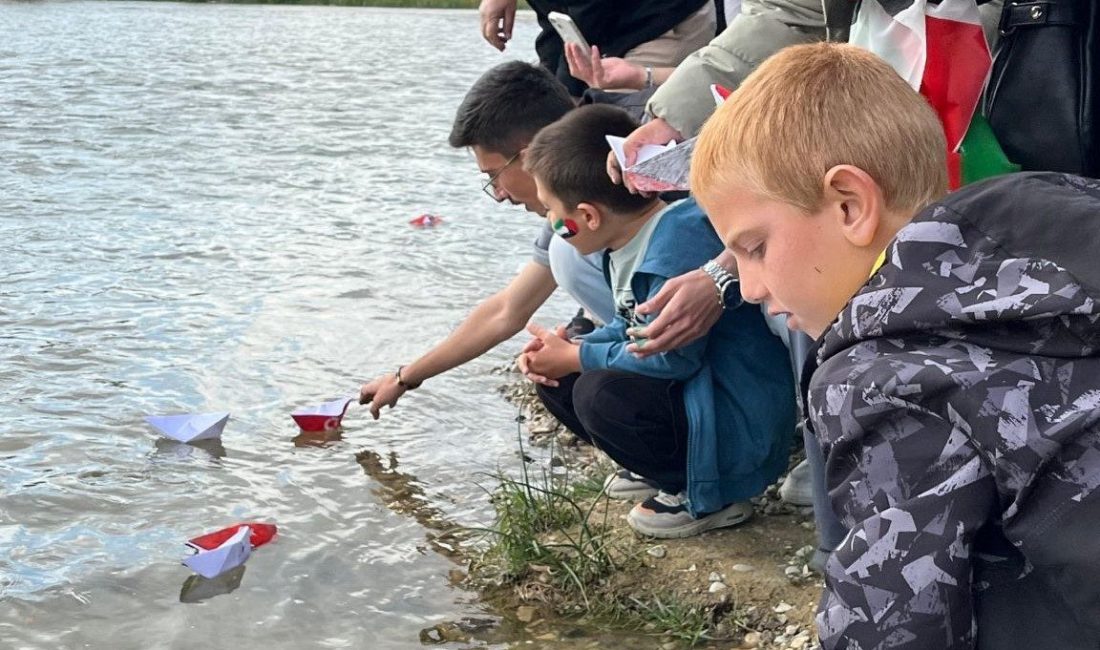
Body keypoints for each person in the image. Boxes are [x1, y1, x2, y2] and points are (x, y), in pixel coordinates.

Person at [692, 41, 1100, 648]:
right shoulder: (1057, 228)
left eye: (754, 248)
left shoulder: (877, 376)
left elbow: (894, 622)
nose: (749, 289)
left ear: (850, 204)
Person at [359, 61, 727, 420]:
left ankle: (684, 401)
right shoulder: (577, 178)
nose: (499, 194)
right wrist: (405, 377)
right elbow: (507, 309)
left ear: (528, 154)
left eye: (495, 176)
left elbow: (510, 310)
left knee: (565, 254)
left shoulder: (650, 146)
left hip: (732, 324)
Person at [521, 104, 796, 538]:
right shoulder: (623, 244)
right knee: (558, 378)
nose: (553, 227)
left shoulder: (675, 240)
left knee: (595, 390)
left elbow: (673, 360)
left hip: (739, 424)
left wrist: (579, 356)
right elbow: (631, 324)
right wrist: (561, 352)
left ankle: (709, 495)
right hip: (700, 400)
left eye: (554, 215)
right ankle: (659, 469)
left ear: (589, 216)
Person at [478, 0, 716, 96]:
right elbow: (557, 21)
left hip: (666, 19)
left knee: (607, 126)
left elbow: (590, 17)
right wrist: (551, 87)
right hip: (608, 26)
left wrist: (567, 96)